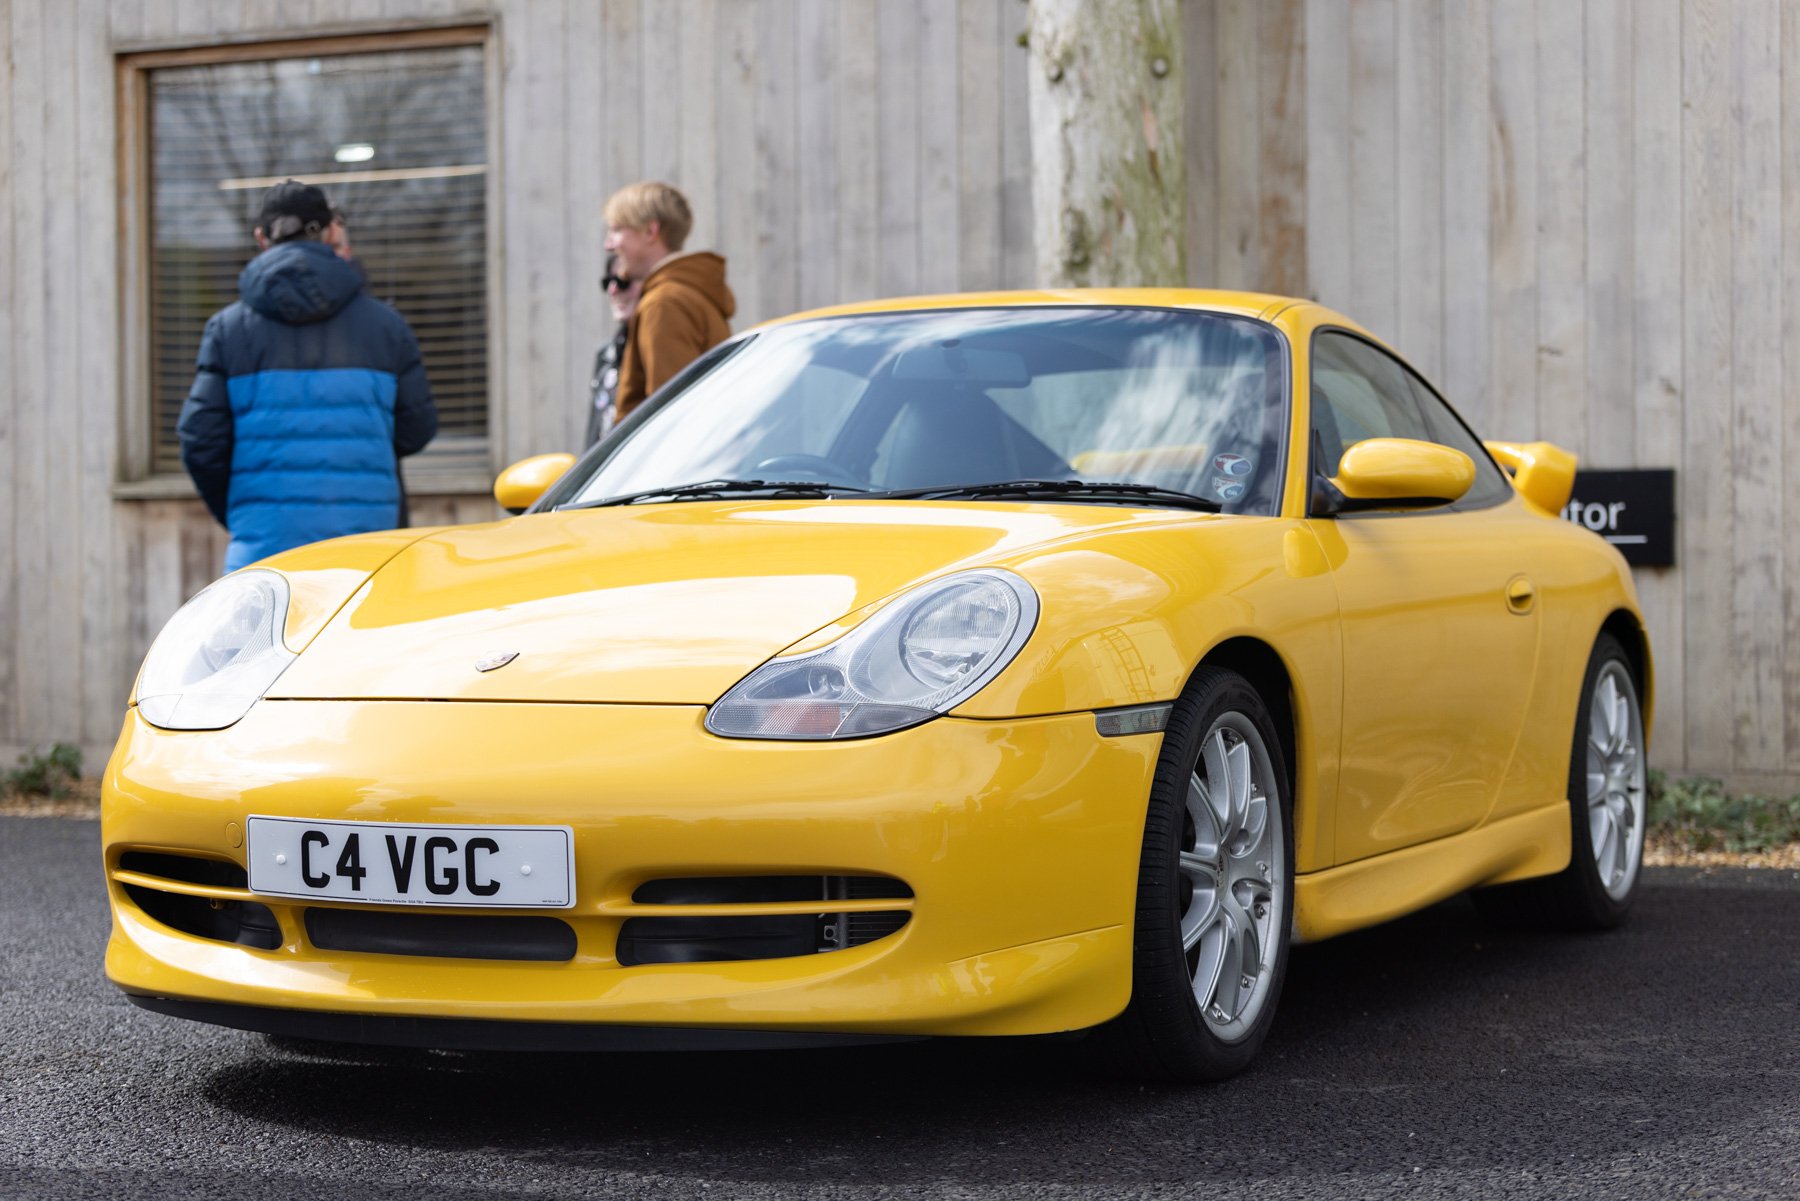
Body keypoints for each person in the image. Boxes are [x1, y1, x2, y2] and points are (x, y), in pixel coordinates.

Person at [178, 180, 437, 573]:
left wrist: (245, 515)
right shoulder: (385, 326)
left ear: (261, 238)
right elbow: (417, 429)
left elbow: (200, 441)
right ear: (332, 231)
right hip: (369, 553)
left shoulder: (228, 331)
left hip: (265, 555)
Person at [602, 181, 735, 424]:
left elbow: (670, 419)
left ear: (650, 232)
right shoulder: (689, 293)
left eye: (617, 230)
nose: (608, 244)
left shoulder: (664, 302)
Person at [585, 252, 645, 448]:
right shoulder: (607, 354)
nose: (613, 290)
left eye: (623, 281)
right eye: (608, 281)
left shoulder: (655, 349)